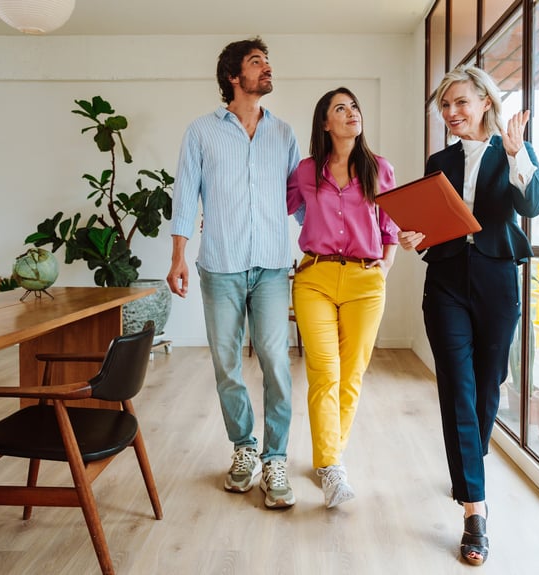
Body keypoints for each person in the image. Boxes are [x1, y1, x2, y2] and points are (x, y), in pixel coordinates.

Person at [397, 65, 539, 565]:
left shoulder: (512, 151)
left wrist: (516, 154)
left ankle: (469, 464)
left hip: (497, 281)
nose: (451, 113)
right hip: (444, 283)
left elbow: (535, 205)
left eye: (460, 102)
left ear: (485, 101)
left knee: (488, 386)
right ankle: (474, 510)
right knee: (457, 388)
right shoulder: (440, 158)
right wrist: (415, 235)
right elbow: (433, 221)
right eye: (445, 106)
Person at [166, 37, 300, 509]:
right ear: (232, 76)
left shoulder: (283, 134)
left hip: (271, 266)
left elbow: (298, 201)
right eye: (256, 62)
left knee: (275, 362)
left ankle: (276, 456)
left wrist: (334, 242)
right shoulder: (201, 132)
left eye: (267, 61)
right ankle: (244, 448)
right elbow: (185, 199)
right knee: (226, 364)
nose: (266, 69)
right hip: (218, 266)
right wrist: (178, 256)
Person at [287, 87, 399, 508]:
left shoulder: (378, 168)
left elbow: (390, 225)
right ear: (325, 123)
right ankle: (332, 467)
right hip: (314, 276)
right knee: (324, 370)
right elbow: (275, 205)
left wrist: (385, 267)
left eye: (354, 107)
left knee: (351, 375)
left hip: (365, 282)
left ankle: (328, 459)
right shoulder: (305, 171)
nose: (351, 113)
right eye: (340, 108)